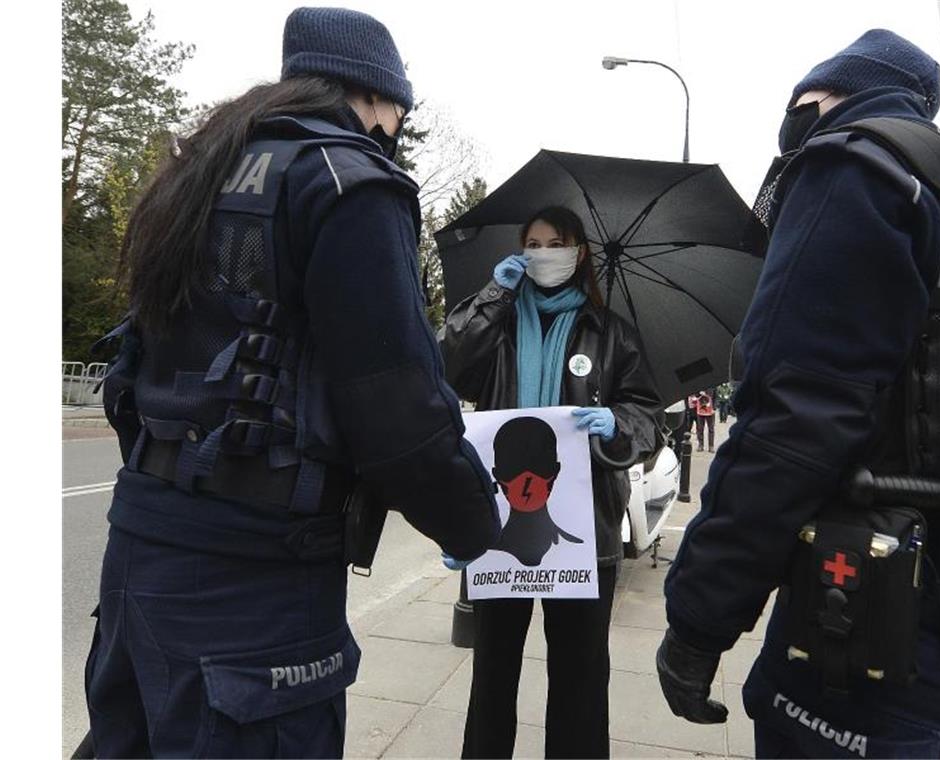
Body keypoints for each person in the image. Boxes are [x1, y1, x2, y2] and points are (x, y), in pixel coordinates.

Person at [83, 8, 501, 757]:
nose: (399, 126)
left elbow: (139, 359)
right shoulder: (349, 180)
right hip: (255, 583)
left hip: (142, 544)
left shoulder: (202, 167)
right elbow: (397, 403)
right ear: (378, 96)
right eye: (399, 109)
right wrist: (477, 526)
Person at [657, 29, 940, 758]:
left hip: (868, 611)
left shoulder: (855, 170)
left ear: (824, 96)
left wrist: (701, 617)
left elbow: (794, 426)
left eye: (801, 102)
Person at [442, 205, 663, 758]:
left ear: (579, 252)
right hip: (499, 534)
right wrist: (494, 296)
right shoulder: (496, 326)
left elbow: (647, 416)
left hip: (585, 530)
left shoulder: (610, 332)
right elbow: (445, 367)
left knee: (581, 680)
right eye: (532, 243)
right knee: (492, 674)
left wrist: (619, 426)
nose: (543, 253)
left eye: (554, 242)